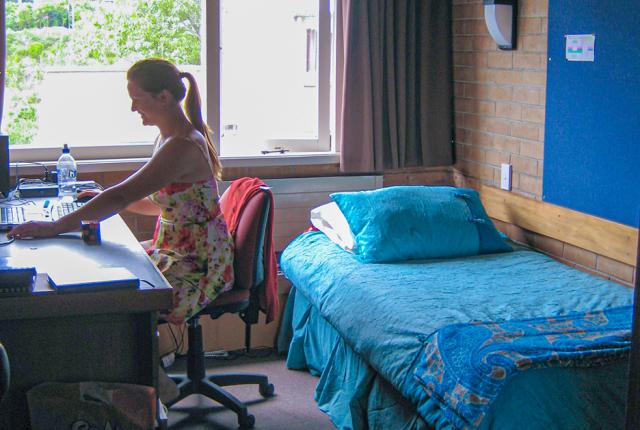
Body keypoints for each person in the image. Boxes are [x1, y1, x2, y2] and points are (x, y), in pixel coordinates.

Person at [9, 58, 235, 325]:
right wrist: (99, 204)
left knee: (120, 293)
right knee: (108, 269)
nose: (132, 107)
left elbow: (120, 195)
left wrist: (54, 226)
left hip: (199, 262)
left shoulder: (182, 146)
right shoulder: (168, 138)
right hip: (176, 250)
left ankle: (144, 362)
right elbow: (161, 205)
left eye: (136, 99)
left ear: (163, 97)